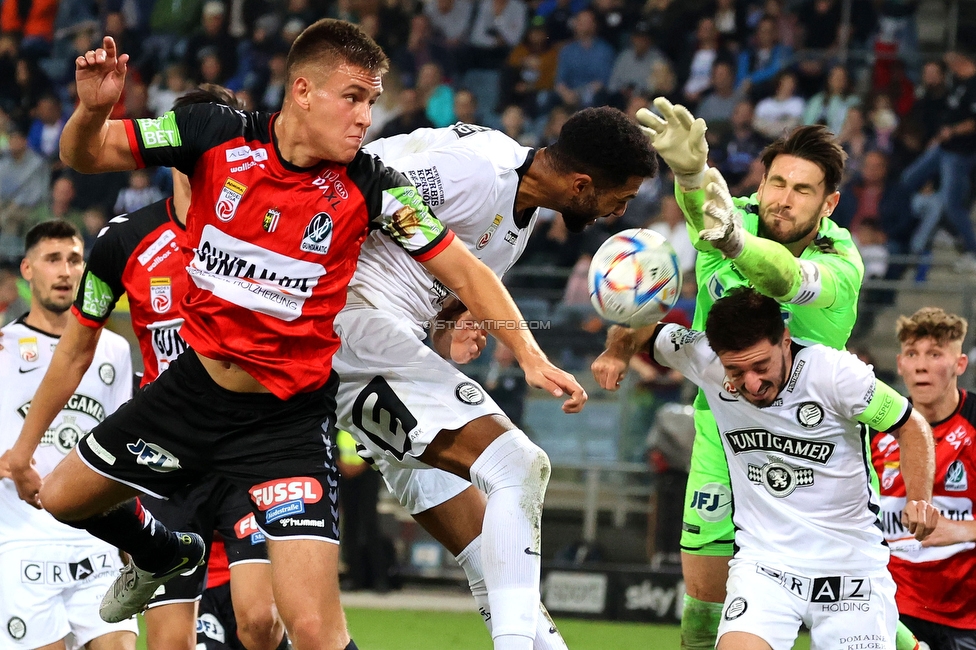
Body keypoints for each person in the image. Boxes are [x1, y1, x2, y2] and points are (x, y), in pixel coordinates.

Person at [7, 21, 584, 650]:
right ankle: (165, 556)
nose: (368, 116)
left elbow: (465, 269)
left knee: (308, 629)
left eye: (374, 99)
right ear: (303, 91)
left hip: (286, 422)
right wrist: (93, 111)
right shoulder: (214, 135)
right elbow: (84, 153)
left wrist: (527, 352)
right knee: (63, 497)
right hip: (192, 394)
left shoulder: (369, 185)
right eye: (355, 97)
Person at [337, 107, 657, 650]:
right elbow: (356, 189)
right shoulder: (477, 168)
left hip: (385, 348)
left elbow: (436, 280)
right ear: (582, 185)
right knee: (519, 464)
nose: (619, 212)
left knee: (494, 551)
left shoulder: (516, 227)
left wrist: (447, 333)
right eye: (618, 198)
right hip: (349, 322)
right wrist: (528, 353)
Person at [8, 85, 288, 650]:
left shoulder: (269, 230)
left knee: (260, 622)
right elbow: (74, 350)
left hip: (244, 450)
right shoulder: (126, 239)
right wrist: (24, 446)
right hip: (168, 460)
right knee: (166, 645)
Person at [607, 99, 868, 650]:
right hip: (723, 438)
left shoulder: (841, 260)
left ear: (830, 203)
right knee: (703, 611)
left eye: (803, 190)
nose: (783, 198)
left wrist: (736, 245)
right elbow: (704, 208)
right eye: (777, 182)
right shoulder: (734, 214)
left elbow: (784, 277)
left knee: (847, 606)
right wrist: (690, 173)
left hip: (813, 453)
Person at [616, 286, 938, 649]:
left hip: (851, 570)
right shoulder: (702, 357)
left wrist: (920, 499)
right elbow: (635, 330)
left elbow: (911, 426)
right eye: (735, 370)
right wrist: (615, 353)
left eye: (760, 366)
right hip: (765, 567)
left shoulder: (835, 374)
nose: (751, 383)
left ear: (785, 340)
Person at [0, 220, 137, 650]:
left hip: (97, 545)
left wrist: (130, 541)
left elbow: (121, 454)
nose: (64, 271)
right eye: (52, 259)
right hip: (23, 545)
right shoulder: (2, 348)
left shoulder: (113, 349)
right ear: (27, 269)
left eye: (74, 259)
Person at [873, 307, 976, 649]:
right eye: (913, 354)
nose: (921, 365)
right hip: (892, 607)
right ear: (900, 363)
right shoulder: (875, 428)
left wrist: (961, 529)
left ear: (959, 364)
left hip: (965, 616)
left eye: (934, 354)